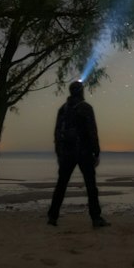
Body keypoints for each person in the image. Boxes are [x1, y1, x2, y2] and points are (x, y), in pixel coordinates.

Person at [47, 80, 109, 228]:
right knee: (91, 186)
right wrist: (96, 151)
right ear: (81, 92)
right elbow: (92, 131)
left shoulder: (63, 109)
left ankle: (52, 217)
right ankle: (96, 218)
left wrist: (59, 153)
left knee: (61, 185)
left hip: (67, 153)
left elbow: (57, 133)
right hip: (84, 152)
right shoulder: (86, 108)